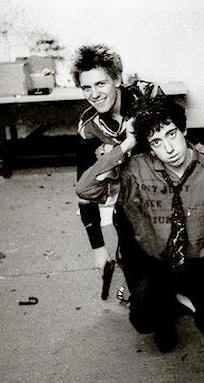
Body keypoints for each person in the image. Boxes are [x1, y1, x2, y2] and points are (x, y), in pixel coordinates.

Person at [76, 95, 204, 364]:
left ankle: (185, 301)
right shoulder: (136, 168)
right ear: (149, 147)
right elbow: (85, 189)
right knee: (144, 320)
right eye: (156, 142)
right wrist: (127, 144)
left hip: (198, 257)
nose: (169, 148)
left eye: (171, 134)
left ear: (184, 130)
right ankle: (172, 305)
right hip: (157, 260)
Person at [72, 44, 161, 276]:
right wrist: (98, 248)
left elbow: (178, 147)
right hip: (131, 201)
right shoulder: (88, 127)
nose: (94, 94)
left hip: (169, 194)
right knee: (139, 279)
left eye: (101, 84)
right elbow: (84, 190)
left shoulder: (148, 96)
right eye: (86, 87)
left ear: (118, 79)